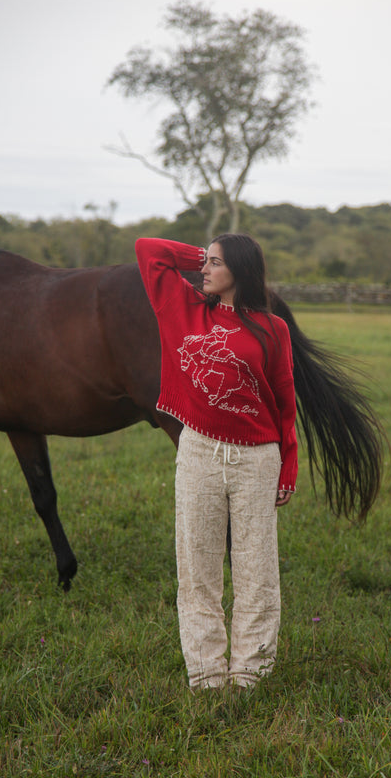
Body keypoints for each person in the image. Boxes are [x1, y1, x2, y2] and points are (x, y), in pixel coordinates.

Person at [135, 233, 298, 690]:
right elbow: (147, 249)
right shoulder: (182, 308)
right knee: (197, 568)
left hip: (257, 459)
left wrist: (288, 465)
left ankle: (250, 671)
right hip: (199, 451)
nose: (203, 270)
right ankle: (206, 674)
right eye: (204, 262)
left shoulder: (273, 329)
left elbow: (285, 404)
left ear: (241, 272)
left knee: (256, 569)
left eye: (215, 263)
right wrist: (201, 253)